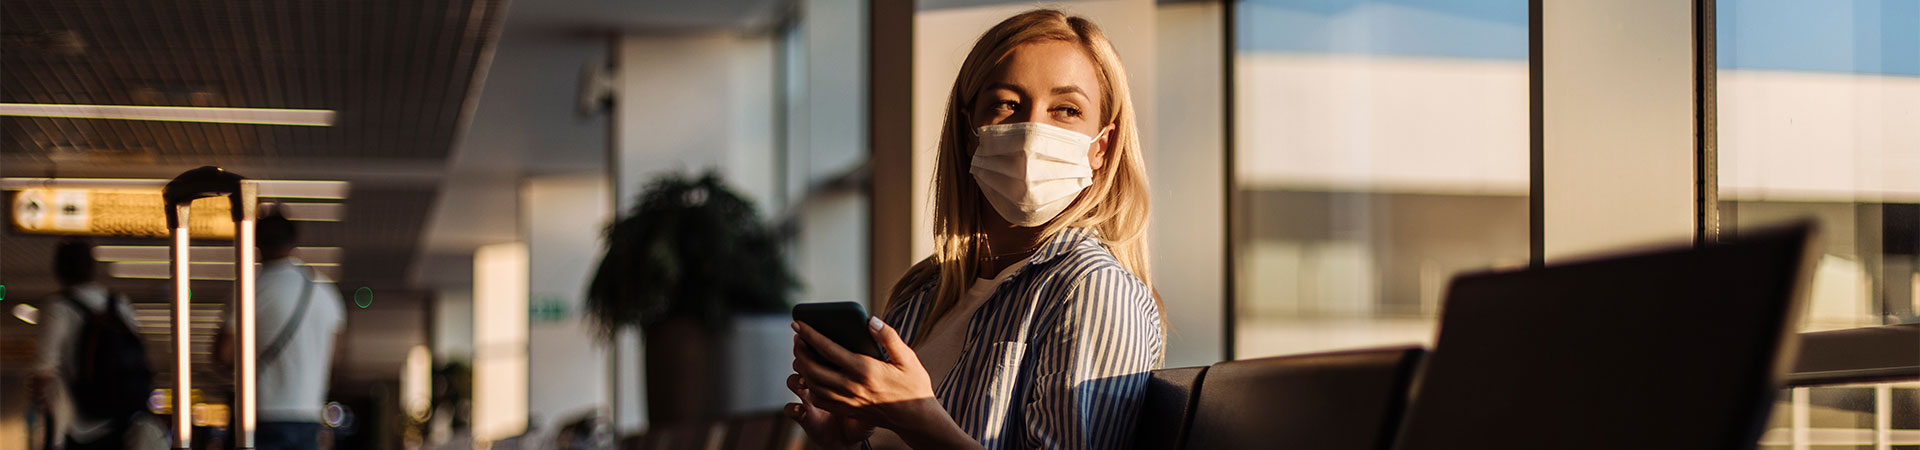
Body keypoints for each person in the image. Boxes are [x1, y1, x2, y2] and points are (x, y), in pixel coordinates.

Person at [786, 9, 1161, 450]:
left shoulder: (1092, 289)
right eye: (1006, 104)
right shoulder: (922, 295)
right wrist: (846, 440)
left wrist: (917, 419)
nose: (1032, 130)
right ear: (969, 132)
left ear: (1102, 146)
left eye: (1066, 110)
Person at [217, 212, 347, 450]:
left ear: (256, 243)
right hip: (308, 414)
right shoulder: (326, 292)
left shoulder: (250, 288)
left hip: (261, 413)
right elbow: (334, 356)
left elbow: (224, 354)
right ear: (294, 243)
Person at [34, 238, 152, 450]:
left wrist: (38, 399)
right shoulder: (119, 304)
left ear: (58, 269)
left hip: (76, 421)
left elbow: (45, 367)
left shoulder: (57, 307)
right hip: (120, 418)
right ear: (92, 268)